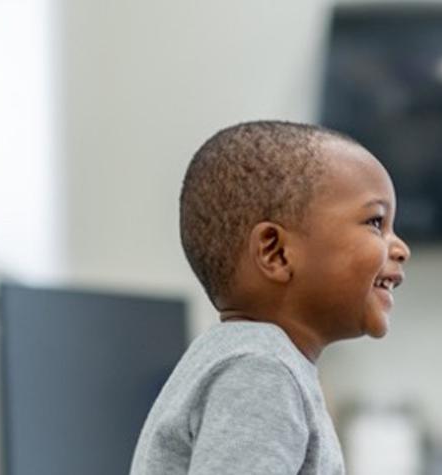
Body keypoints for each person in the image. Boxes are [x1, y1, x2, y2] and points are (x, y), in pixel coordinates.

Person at [131, 121, 411, 474]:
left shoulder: (255, 359)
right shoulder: (260, 369)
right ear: (276, 253)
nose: (400, 248)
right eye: (375, 222)